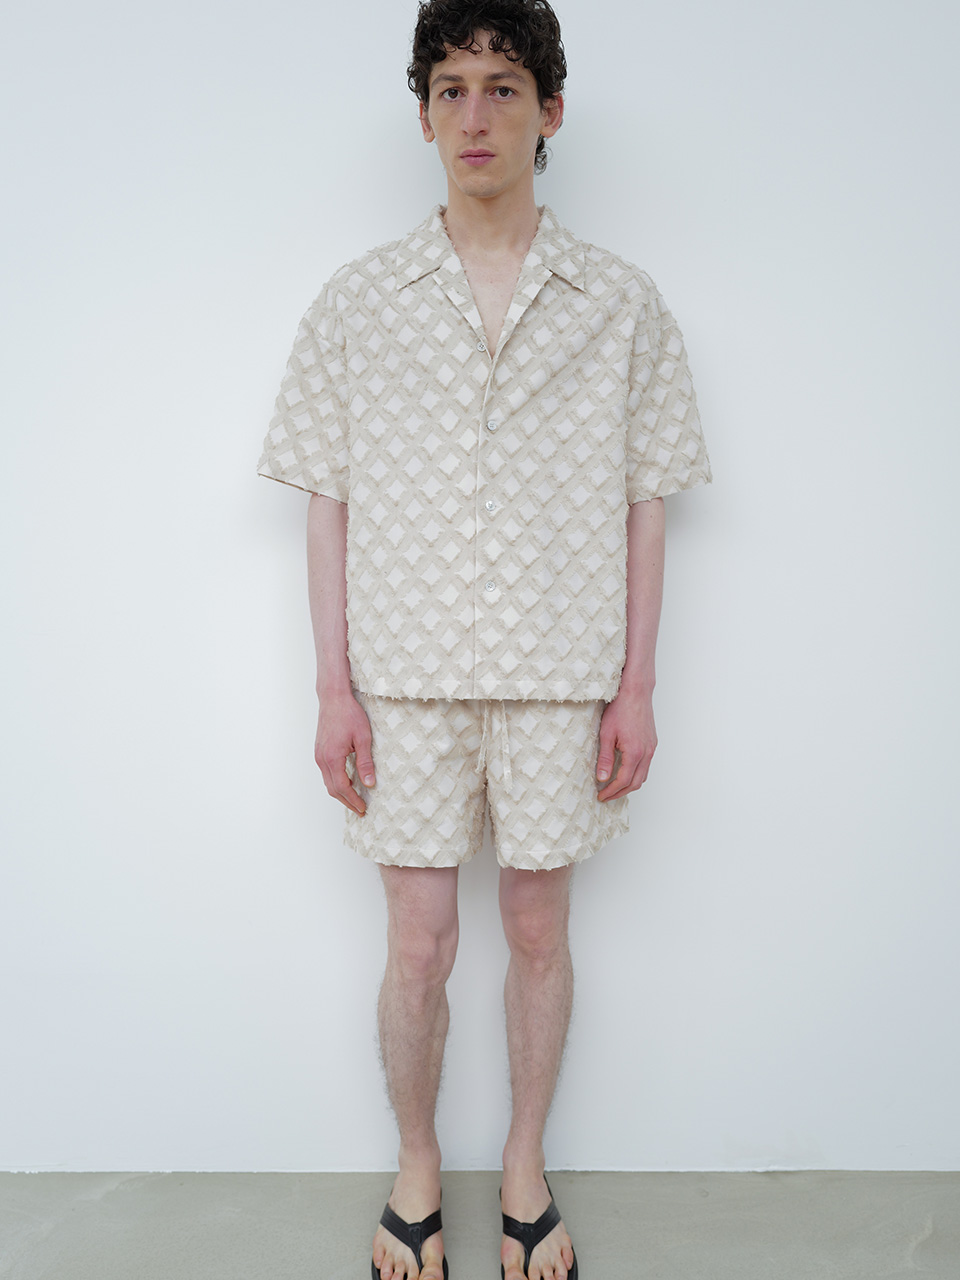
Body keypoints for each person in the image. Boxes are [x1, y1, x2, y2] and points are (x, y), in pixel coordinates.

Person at [256, 1, 711, 1276]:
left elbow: (649, 502)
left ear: (549, 111)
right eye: (450, 88)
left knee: (539, 933)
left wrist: (638, 685)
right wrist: (332, 688)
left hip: (564, 678)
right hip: (402, 681)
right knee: (417, 942)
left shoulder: (621, 303)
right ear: (421, 115)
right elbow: (327, 504)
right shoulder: (360, 301)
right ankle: (415, 1161)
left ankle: (523, 1162)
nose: (475, 114)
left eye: (503, 87)